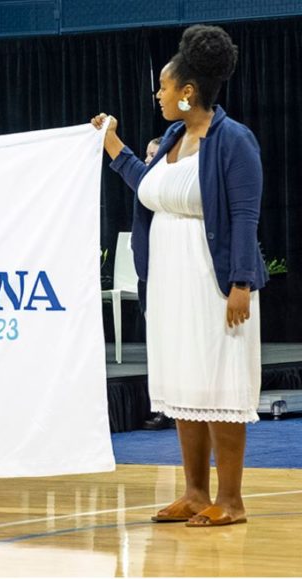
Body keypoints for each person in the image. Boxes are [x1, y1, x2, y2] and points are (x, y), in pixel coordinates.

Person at [92, 24, 267, 527]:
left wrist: (240, 284)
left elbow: (245, 215)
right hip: (169, 284)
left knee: (219, 386)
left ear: (187, 92)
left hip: (212, 284)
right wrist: (113, 142)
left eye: (164, 87)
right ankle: (194, 493)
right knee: (185, 385)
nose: (159, 95)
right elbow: (146, 187)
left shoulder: (233, 140)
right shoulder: (172, 138)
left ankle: (230, 501)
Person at [139, 137, 177, 431]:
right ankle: (162, 405)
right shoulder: (144, 187)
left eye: (155, 154)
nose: (149, 159)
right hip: (149, 278)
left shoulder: (169, 189)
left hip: (174, 276)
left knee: (175, 344)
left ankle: (177, 405)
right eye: (147, 155)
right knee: (158, 346)